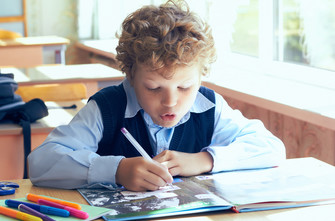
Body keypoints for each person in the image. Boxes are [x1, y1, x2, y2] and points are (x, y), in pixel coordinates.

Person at [28, 0, 286, 191]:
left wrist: (204, 159)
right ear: (130, 75)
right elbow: (41, 162)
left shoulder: (208, 106)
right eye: (153, 88)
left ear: (200, 76)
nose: (171, 101)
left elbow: (271, 148)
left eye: (185, 87)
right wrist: (116, 170)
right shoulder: (107, 108)